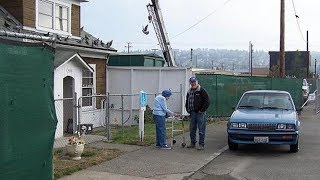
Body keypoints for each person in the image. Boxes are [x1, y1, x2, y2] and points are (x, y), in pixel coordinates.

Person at [185, 77, 210, 150]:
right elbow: (187, 101)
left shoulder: (201, 90)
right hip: (192, 113)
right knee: (192, 129)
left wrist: (202, 110)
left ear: (197, 82)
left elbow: (207, 101)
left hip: (200, 113)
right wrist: (187, 109)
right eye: (191, 82)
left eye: (194, 82)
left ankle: (201, 144)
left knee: (201, 129)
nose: (193, 83)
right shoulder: (189, 91)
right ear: (190, 83)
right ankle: (192, 143)